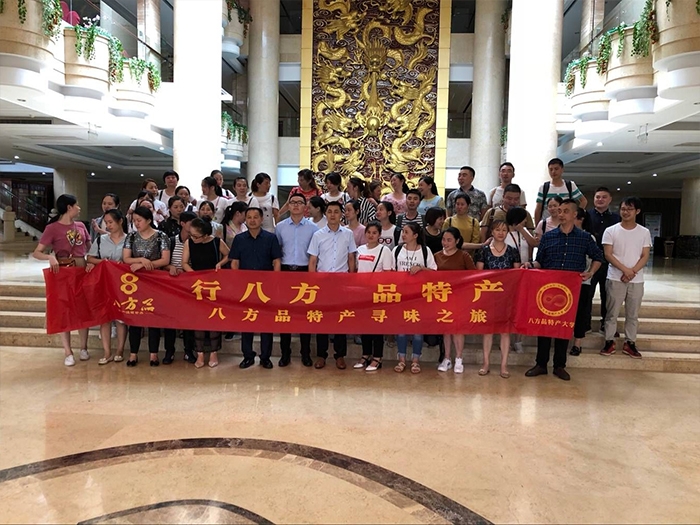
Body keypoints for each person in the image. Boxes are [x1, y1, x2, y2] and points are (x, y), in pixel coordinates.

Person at [522, 199, 604, 381]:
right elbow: (540, 261)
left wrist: (591, 272)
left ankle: (560, 365)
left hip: (570, 291)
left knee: (564, 326)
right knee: (544, 326)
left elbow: (598, 256)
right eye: (559, 211)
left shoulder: (584, 238)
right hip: (548, 289)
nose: (561, 214)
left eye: (566, 211)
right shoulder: (548, 237)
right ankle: (541, 364)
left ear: (575, 214)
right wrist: (530, 265)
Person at [33, 194, 91, 366]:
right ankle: (68, 351)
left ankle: (84, 348)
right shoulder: (52, 228)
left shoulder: (81, 226)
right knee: (63, 310)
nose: (79, 208)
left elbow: (89, 246)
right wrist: (50, 257)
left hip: (81, 270)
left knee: (83, 308)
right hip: (63, 272)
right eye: (76, 205)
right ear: (69, 207)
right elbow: (37, 252)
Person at [221, 207, 282, 369]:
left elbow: (276, 261)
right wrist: (237, 282)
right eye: (249, 217)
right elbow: (234, 262)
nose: (252, 220)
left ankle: (265, 357)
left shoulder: (270, 238)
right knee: (247, 320)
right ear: (245, 219)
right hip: (246, 287)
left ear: (261, 219)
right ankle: (247, 356)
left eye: (256, 217)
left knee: (266, 322)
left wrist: (275, 281)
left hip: (266, 287)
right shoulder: (239, 239)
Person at [308, 200, 357, 369]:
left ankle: (340, 355)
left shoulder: (348, 234)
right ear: (325, 214)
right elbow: (313, 260)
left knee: (340, 318)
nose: (333, 215)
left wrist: (351, 279)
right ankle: (321, 355)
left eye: (336, 212)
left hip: (342, 282)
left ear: (341, 214)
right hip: (322, 283)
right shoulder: (318, 235)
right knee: (321, 318)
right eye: (329, 212)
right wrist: (313, 283)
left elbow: (351, 257)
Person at [600, 197, 651, 360]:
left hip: (636, 280)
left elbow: (645, 255)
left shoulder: (644, 232)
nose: (626, 212)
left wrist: (632, 272)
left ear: (637, 211)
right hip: (615, 278)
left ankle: (630, 342)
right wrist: (625, 270)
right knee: (611, 313)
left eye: (630, 209)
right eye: (623, 209)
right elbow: (608, 254)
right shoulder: (611, 230)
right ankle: (609, 341)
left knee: (633, 314)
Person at [122, 206, 171, 367]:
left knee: (153, 317)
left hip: (156, 281)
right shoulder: (131, 236)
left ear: (149, 220)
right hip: (135, 281)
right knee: (135, 316)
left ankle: (153, 354)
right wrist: (141, 260)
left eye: (139, 220)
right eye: (134, 220)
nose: (136, 223)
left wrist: (145, 264)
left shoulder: (161, 236)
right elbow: (126, 258)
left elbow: (165, 260)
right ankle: (133, 353)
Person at [275, 194, 318, 367]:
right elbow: (277, 251)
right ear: (288, 205)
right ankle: (285, 354)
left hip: (304, 272)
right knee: (285, 314)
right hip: (285, 271)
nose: (296, 206)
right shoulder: (280, 227)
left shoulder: (313, 228)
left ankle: (305, 354)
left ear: (305, 206)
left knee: (304, 315)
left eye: (299, 203)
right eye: (292, 202)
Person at [474, 220, 521, 378]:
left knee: (505, 332)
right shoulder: (484, 251)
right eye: (497, 230)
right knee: (487, 331)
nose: (501, 233)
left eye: (504, 230)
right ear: (491, 232)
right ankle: (486, 363)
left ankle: (503, 365)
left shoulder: (513, 251)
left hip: (507, 296)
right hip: (488, 296)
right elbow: (479, 274)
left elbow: (516, 275)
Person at [182, 217, 230, 368]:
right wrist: (194, 275)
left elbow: (229, 254)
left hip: (214, 285)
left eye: (196, 236)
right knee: (199, 319)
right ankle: (200, 354)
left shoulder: (216, 242)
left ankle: (214, 353)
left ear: (205, 235)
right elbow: (184, 263)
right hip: (197, 285)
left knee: (214, 318)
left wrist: (220, 264)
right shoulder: (189, 243)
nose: (193, 238)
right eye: (191, 235)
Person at [393, 222, 437, 374]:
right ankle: (401, 359)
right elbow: (390, 272)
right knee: (401, 329)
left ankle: (416, 360)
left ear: (415, 235)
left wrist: (421, 268)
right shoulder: (397, 250)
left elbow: (434, 272)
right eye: (403, 231)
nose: (403, 234)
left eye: (406, 232)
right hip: (401, 297)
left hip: (420, 297)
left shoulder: (425, 251)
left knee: (418, 330)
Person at [86, 209, 128, 364]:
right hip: (104, 282)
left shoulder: (129, 239)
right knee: (104, 317)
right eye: (106, 223)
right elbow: (90, 258)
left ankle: (120, 350)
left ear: (120, 221)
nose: (108, 225)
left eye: (111, 222)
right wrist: (104, 262)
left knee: (121, 317)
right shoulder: (100, 240)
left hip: (122, 284)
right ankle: (107, 352)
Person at [354, 221, 394, 372]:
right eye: (369, 232)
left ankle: (377, 357)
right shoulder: (360, 249)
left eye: (374, 233)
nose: (371, 235)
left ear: (379, 235)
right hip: (361, 294)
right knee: (364, 325)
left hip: (377, 293)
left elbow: (388, 274)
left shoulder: (385, 250)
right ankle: (365, 354)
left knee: (377, 325)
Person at [435, 227, 476, 374]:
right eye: (443, 240)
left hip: (460, 298)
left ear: (457, 241)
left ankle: (459, 358)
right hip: (442, 297)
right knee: (446, 329)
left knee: (458, 329)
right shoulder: (436, 256)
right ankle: (447, 358)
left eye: (449, 240)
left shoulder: (464, 256)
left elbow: (474, 276)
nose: (445, 243)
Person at [163, 210, 198, 363]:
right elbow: (163, 262)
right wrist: (170, 267)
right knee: (170, 319)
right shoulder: (171, 241)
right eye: (191, 223)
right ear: (182, 224)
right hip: (172, 285)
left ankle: (188, 351)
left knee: (189, 319)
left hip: (190, 285)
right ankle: (169, 351)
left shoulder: (196, 241)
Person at [587, 187, 621, 334]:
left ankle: (605, 324)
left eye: (604, 197)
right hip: (590, 262)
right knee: (587, 293)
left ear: (610, 199)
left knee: (608, 295)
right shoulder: (586, 216)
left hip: (609, 262)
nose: (600, 199)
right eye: (597, 197)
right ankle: (585, 324)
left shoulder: (616, 219)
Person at [570, 208, 595, 357]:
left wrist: (588, 272)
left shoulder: (588, 237)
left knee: (580, 313)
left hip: (582, 281)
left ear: (580, 219)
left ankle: (577, 343)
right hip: (565, 281)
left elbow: (593, 259)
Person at [534, 158, 588, 224]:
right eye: (551, 169)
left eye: (556, 169)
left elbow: (583, 201)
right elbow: (538, 209)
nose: (553, 172)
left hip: (565, 224)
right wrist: (537, 226)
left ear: (562, 169)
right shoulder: (543, 187)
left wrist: (574, 215)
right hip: (547, 225)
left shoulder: (570, 185)